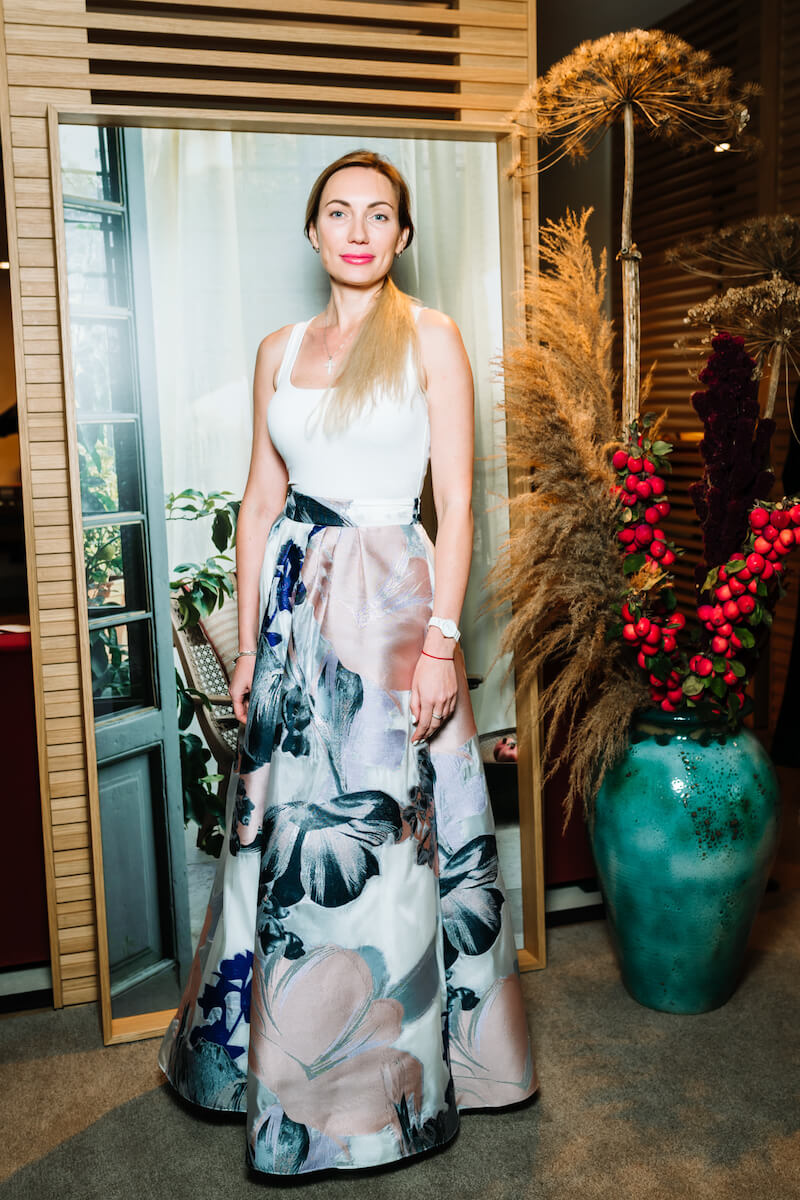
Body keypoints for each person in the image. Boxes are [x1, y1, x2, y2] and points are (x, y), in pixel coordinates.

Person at [158, 149, 537, 1176]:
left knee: (392, 843)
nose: (358, 229)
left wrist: (442, 644)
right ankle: (264, 1065)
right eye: (339, 211)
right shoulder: (277, 350)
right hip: (294, 619)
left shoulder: (431, 337)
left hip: (391, 614)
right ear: (314, 231)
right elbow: (258, 502)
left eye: (378, 214)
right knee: (281, 836)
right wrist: (248, 648)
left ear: (402, 236)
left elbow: (455, 504)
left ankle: (385, 1094)